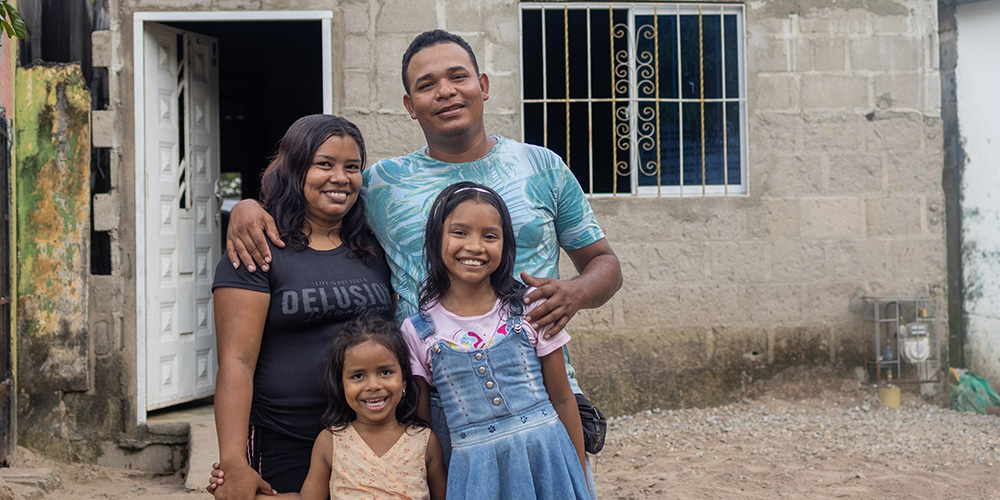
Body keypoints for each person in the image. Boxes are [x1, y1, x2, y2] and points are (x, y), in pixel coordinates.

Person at [225, 29, 622, 495]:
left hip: (540, 388)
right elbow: (319, 193)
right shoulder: (382, 184)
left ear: (484, 85)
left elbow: (605, 264)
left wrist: (575, 292)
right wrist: (250, 207)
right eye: (427, 84)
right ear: (410, 105)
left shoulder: (543, 167)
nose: (446, 91)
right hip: (432, 400)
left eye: (458, 76)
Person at [212, 115, 394, 499]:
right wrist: (233, 463)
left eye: (352, 167)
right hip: (284, 441)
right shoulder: (258, 247)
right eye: (324, 164)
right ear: (295, 169)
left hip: (368, 438)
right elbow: (236, 363)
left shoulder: (375, 246)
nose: (340, 178)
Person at [402, 181, 589, 499]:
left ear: (505, 245)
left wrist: (578, 475)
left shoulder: (530, 306)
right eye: (459, 232)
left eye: (490, 236)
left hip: (548, 462)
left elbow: (561, 397)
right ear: (436, 239)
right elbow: (425, 430)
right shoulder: (419, 330)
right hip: (478, 478)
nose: (474, 246)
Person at [242, 313, 446, 499]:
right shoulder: (331, 441)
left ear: (403, 380)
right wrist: (244, 493)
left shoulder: (425, 442)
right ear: (341, 385)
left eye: (385, 372)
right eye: (358, 376)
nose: (373, 385)